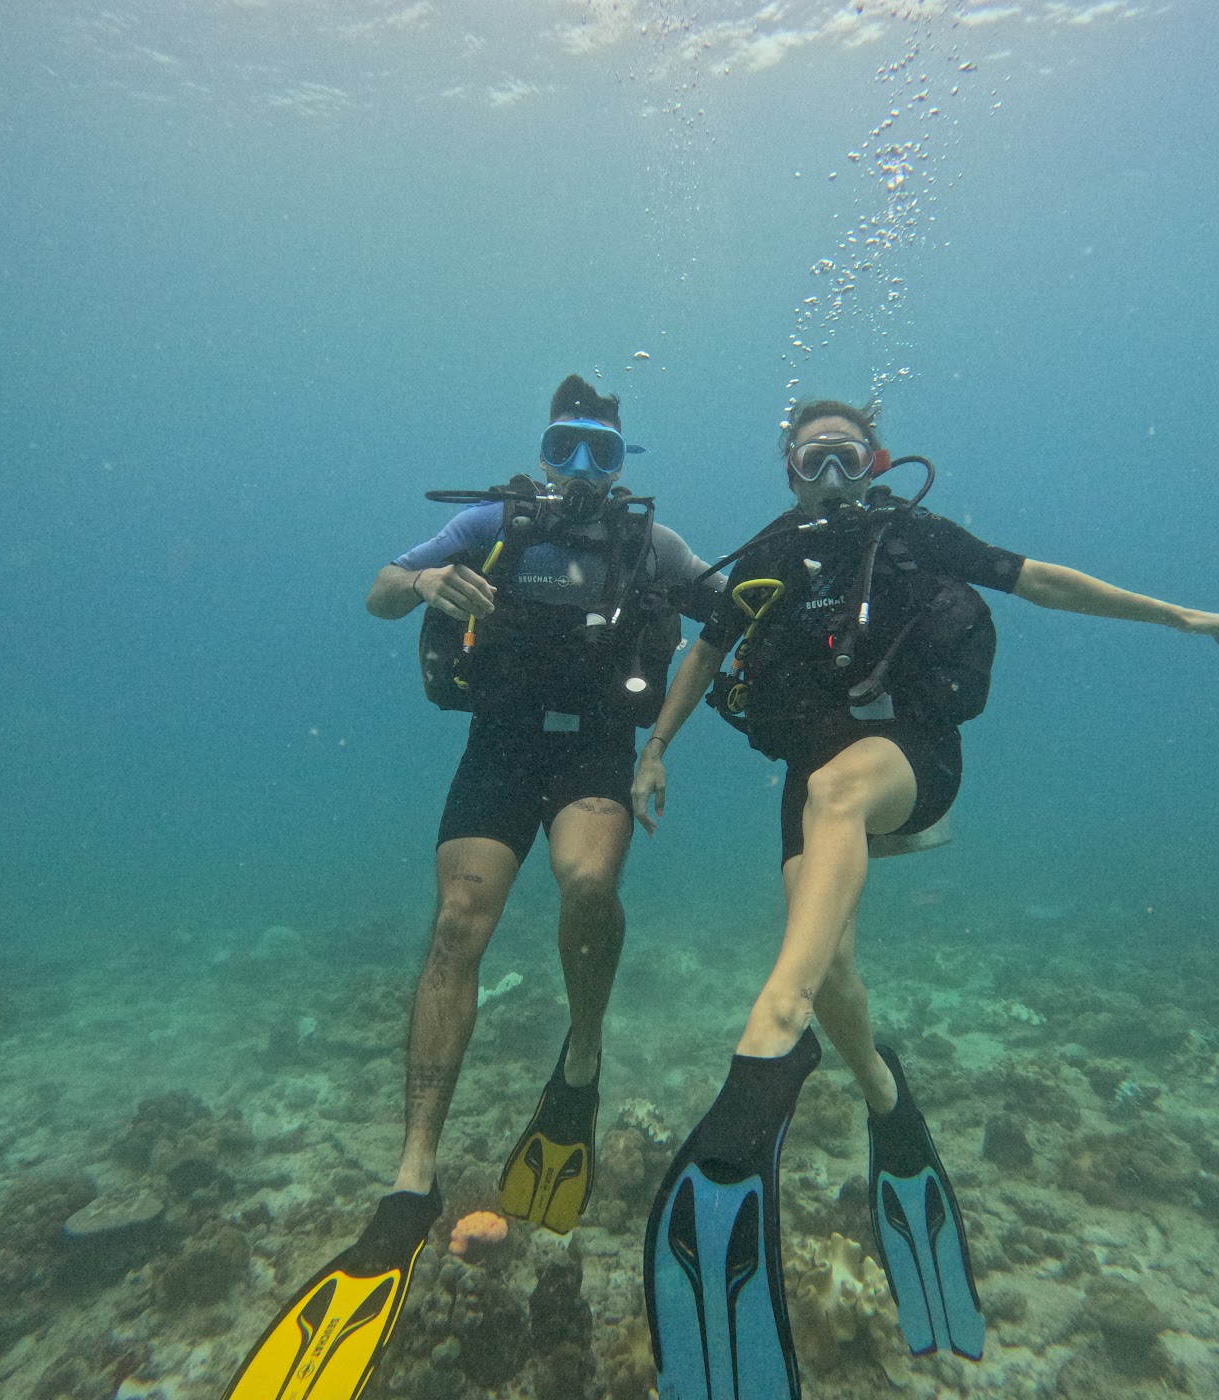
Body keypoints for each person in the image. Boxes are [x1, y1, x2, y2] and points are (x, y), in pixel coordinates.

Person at [633, 397, 1219, 1396]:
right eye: (811, 461)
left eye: (845, 457)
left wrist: (1179, 612)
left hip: (908, 752)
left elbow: (1041, 579)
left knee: (836, 811)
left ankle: (771, 1023)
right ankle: (887, 1099)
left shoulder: (911, 531)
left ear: (875, 459)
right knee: (830, 946)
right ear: (787, 469)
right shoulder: (766, 552)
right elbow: (703, 650)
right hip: (813, 762)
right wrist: (655, 748)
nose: (829, 477)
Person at [216, 375, 720, 1400]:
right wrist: (424, 584)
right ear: (541, 451)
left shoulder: (652, 546)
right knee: (457, 927)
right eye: (564, 447)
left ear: (623, 462)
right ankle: (412, 1169)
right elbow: (377, 587)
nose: (581, 470)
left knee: (587, 885)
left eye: (602, 453)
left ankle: (580, 1055)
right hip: (500, 748)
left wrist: (659, 742)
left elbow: (726, 618)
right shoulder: (492, 520)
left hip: (594, 755)